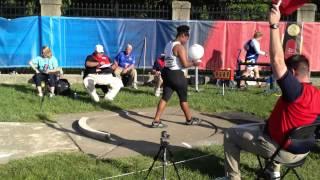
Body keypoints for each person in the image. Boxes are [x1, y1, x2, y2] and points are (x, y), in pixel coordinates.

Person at [216, 4, 320, 180]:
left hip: (283, 150)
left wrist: (273, 26)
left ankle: (232, 177)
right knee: (267, 126)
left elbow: (277, 61)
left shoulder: (295, 90)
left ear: (293, 73)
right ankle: (274, 172)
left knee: (230, 134)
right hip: (303, 151)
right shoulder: (317, 94)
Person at [151, 25, 201, 128]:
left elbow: (167, 60)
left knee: (164, 98)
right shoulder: (179, 47)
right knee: (183, 99)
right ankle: (189, 120)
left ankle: (156, 121)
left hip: (167, 73)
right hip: (177, 75)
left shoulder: (168, 45)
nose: (186, 41)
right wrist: (194, 63)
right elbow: (185, 65)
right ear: (183, 35)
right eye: (187, 38)